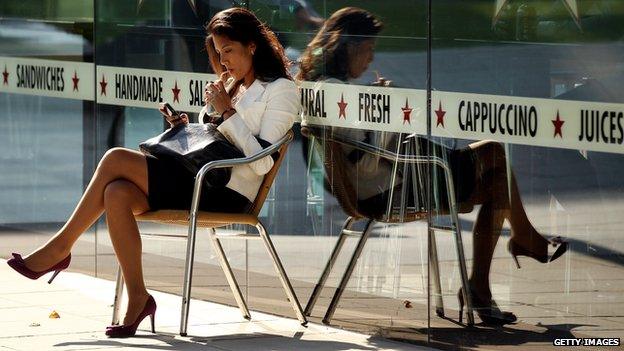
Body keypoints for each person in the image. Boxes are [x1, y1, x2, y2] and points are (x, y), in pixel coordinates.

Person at [7, 7, 299, 337]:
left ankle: (60, 249)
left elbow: (261, 162)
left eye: (229, 50)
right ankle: (138, 298)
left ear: (252, 46)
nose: (224, 60)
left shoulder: (281, 90)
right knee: (115, 192)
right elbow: (215, 139)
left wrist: (227, 111)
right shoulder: (234, 86)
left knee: (116, 158)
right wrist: (187, 127)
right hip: (198, 177)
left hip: (226, 191)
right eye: (219, 53)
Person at [297, 7, 568, 325]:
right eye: (368, 49)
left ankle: (491, 274)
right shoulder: (334, 91)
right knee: (495, 152)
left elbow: (359, 139)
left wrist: (375, 98)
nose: (371, 58)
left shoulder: (323, 87)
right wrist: (388, 101)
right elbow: (372, 145)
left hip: (389, 182)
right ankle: (517, 246)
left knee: (498, 183)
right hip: (393, 188)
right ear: (349, 47)